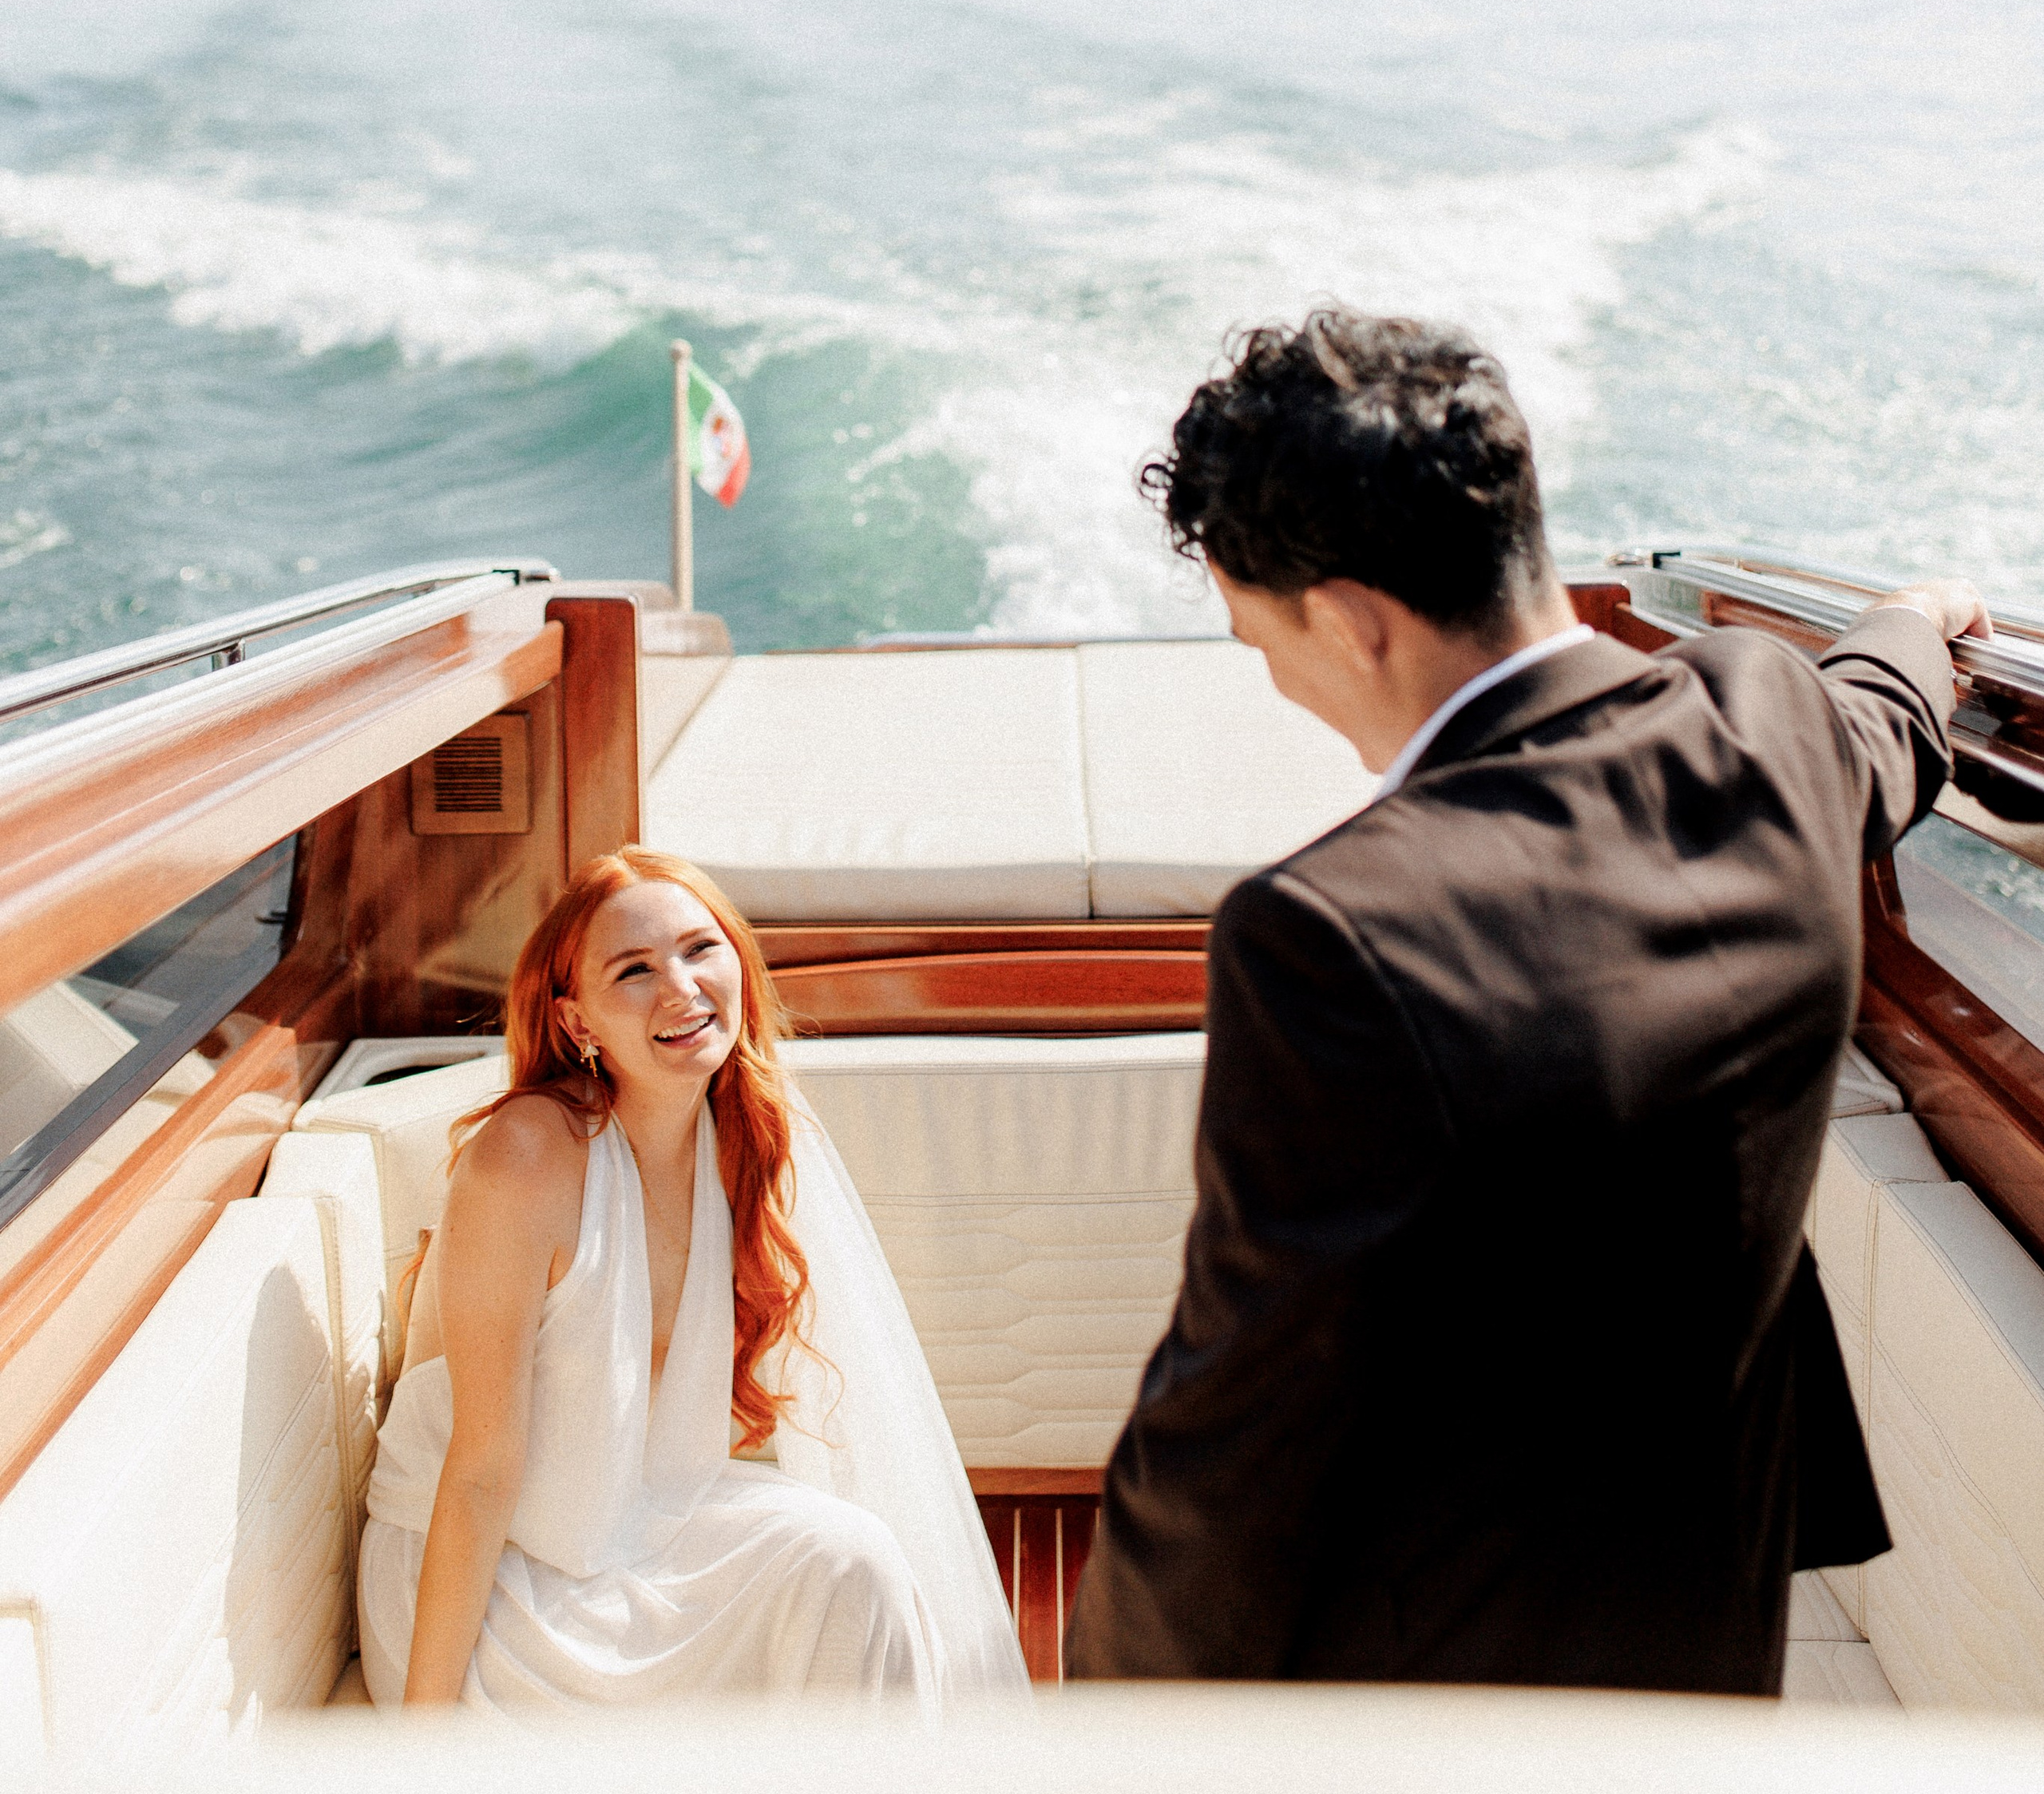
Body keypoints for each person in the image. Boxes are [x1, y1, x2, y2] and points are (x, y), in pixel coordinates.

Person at [1066, 310, 1987, 1696]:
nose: (1271, 679)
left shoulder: (1329, 934)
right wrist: (1917, 624)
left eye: (1258, 639)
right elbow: (1880, 720)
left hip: (1442, 1697)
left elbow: (1236, 1437)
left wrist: (1106, 1722)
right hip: (1707, 1637)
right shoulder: (1768, 726)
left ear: (1351, 620)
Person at [358, 846, 1028, 1713]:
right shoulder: (529, 1155)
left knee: (855, 1561)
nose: (681, 988)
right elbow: (481, 1472)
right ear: (577, 1023)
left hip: (636, 1530)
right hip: (482, 1582)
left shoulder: (747, 1139)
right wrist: (420, 1730)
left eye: (699, 949)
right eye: (633, 970)